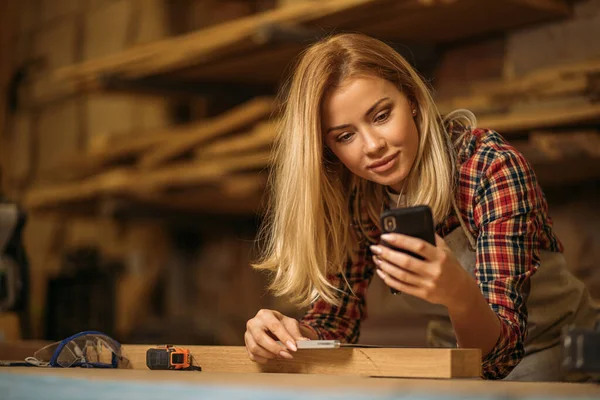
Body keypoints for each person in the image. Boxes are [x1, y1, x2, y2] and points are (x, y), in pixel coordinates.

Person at [244, 33, 597, 381]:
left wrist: (458, 294)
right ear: (326, 148)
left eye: (381, 115)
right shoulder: (359, 200)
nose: (372, 146)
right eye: (345, 136)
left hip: (567, 362)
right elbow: (335, 324)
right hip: (459, 369)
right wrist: (289, 338)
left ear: (411, 98)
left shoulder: (489, 168)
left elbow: (500, 357)